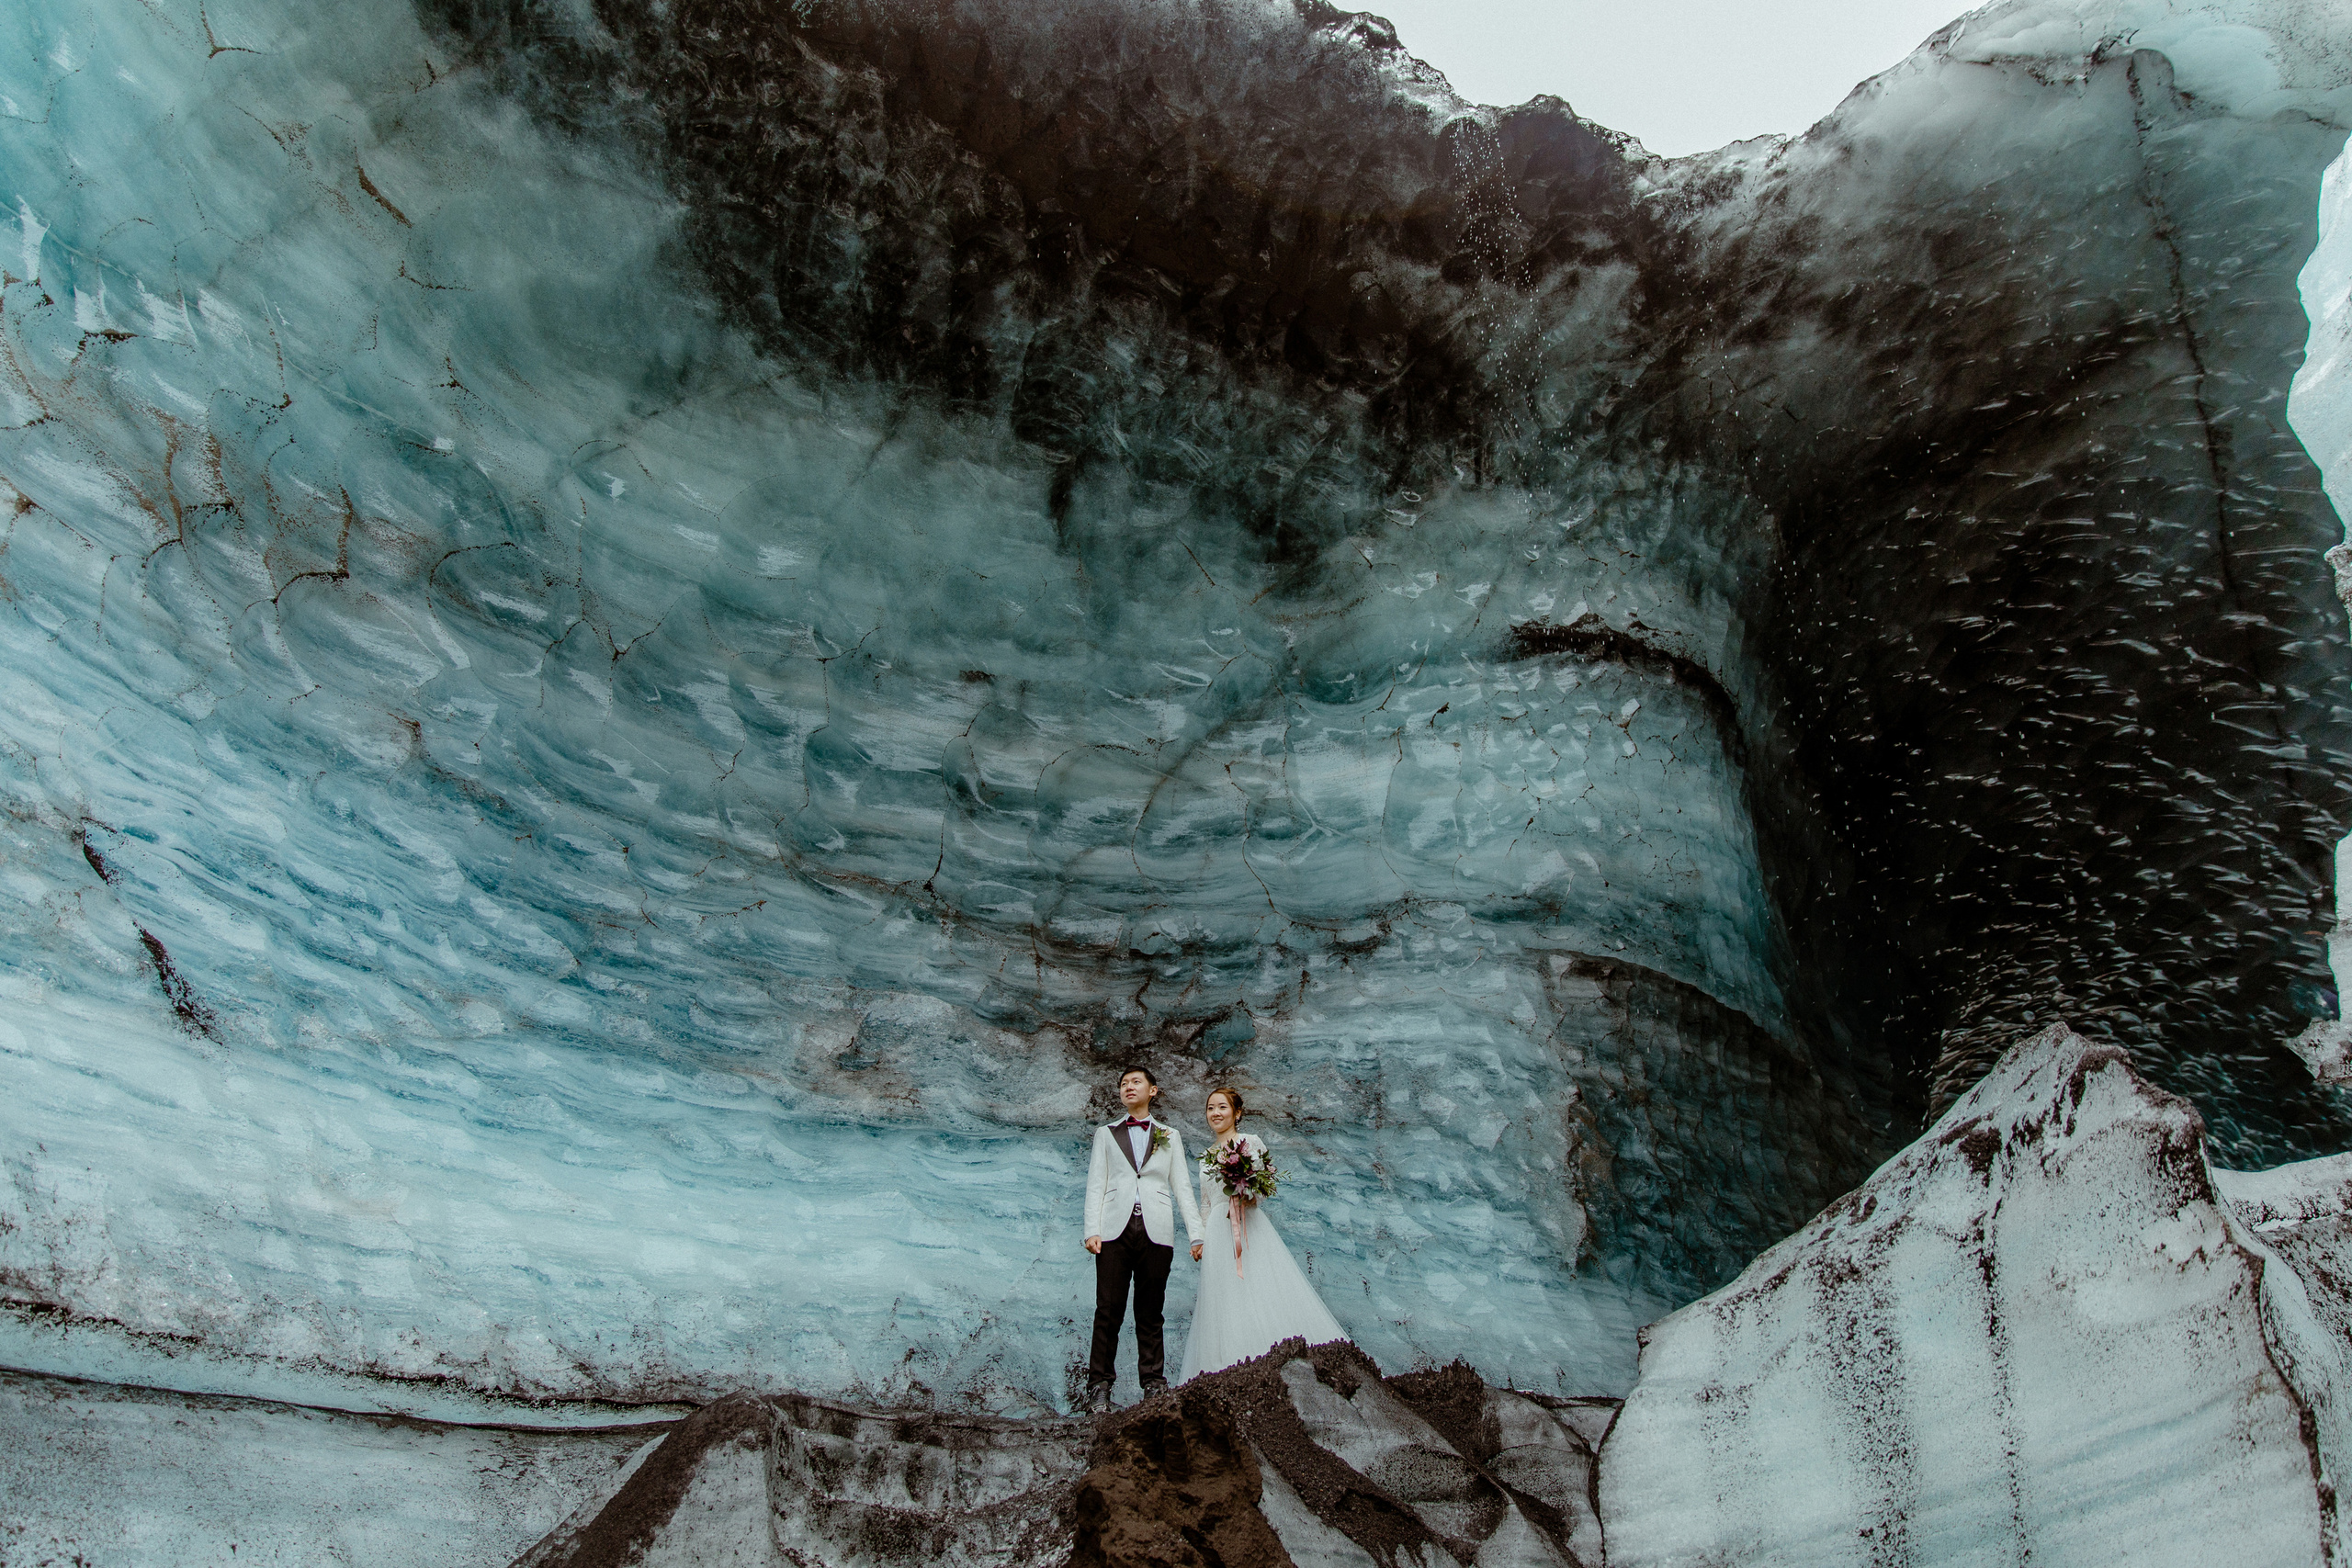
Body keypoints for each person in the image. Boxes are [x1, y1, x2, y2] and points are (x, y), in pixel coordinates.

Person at [1177, 1085, 1349, 1382]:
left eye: (1222, 1107)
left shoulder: (1249, 1141)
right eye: (1210, 1108)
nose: (1215, 1113)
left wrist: (1247, 1192)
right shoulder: (1206, 1156)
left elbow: (1265, 1186)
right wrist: (1202, 1237)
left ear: (1237, 1112)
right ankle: (1228, 1360)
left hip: (1248, 1222)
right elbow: (1206, 1201)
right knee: (1224, 1294)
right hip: (1218, 1229)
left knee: (1260, 1283)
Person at [1081, 1065, 1202, 1414]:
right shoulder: (1106, 1134)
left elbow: (1182, 1186)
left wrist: (1197, 1234)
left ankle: (1153, 1384)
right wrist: (1092, 1229)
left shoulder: (1170, 1135)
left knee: (1151, 1312)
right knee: (1108, 1310)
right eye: (1123, 1084)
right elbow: (1095, 1184)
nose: (1128, 1087)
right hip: (1113, 1231)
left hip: (1157, 1231)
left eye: (1136, 1082)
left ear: (1154, 1090)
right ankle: (1100, 1386)